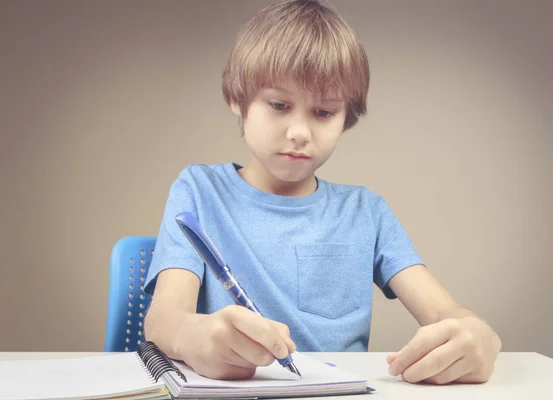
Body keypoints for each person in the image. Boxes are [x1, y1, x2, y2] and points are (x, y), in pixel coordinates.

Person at [143, 0, 501, 385]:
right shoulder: (199, 191)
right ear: (237, 98)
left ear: (348, 117)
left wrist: (477, 336)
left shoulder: (366, 212)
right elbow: (164, 319)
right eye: (279, 105)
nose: (300, 131)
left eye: (324, 112)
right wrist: (193, 336)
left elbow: (445, 313)